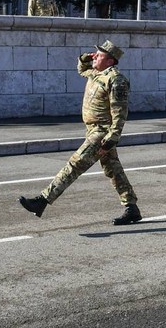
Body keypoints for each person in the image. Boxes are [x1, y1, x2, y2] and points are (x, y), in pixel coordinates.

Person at [18, 40, 141, 225]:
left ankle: (42, 201)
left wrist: (113, 136)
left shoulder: (116, 79)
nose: (95, 57)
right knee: (113, 170)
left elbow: (120, 112)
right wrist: (85, 57)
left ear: (110, 61)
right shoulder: (96, 73)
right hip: (92, 129)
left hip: (102, 133)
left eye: (99, 55)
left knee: (75, 164)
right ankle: (131, 208)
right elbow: (81, 69)